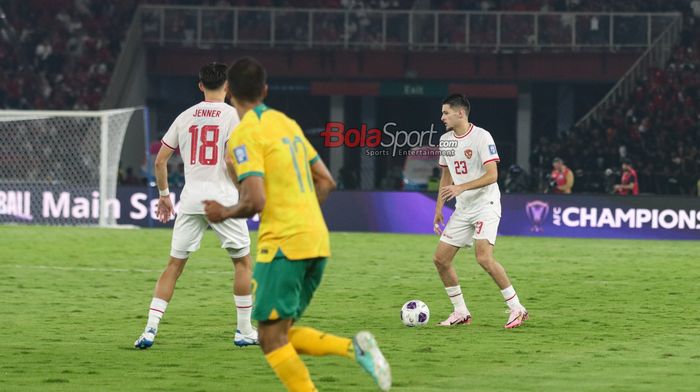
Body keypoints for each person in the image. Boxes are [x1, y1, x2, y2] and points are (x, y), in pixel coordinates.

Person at [204, 57, 391, 392]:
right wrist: (302, 214)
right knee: (277, 333)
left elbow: (255, 201)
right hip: (316, 240)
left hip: (283, 246)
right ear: (265, 90)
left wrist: (223, 212)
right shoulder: (285, 122)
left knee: (271, 339)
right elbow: (327, 181)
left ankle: (353, 349)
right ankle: (355, 349)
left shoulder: (244, 134)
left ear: (230, 91)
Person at [134, 62, 257, 349]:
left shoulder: (185, 116)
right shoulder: (234, 116)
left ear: (200, 85)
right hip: (224, 201)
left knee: (173, 266)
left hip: (191, 200)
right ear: (228, 86)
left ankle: (150, 329)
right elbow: (230, 160)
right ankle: (243, 331)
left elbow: (160, 160)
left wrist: (164, 195)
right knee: (242, 263)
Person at [433, 94, 528, 329]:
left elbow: (493, 175)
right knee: (440, 260)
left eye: (446, 112)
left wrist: (461, 187)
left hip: (486, 204)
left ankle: (517, 308)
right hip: (463, 207)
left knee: (483, 258)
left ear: (460, 113)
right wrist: (438, 208)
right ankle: (460, 312)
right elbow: (446, 175)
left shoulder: (481, 137)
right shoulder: (446, 141)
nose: (442, 117)